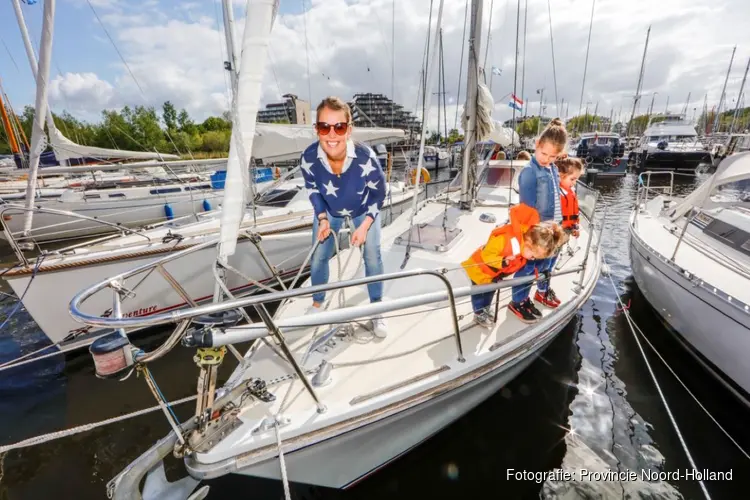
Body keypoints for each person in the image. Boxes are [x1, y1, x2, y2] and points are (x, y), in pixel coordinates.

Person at [299, 96, 388, 337]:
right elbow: (314, 190)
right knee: (318, 256)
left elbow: (379, 194)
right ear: (316, 128)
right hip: (329, 210)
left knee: (372, 255)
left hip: (363, 210)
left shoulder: (365, 157)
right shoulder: (308, 158)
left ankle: (377, 308)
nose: (331, 134)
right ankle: (318, 304)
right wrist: (323, 219)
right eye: (323, 126)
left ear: (349, 129)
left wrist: (365, 226)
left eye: (338, 127)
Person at [509, 117, 569, 322]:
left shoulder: (552, 167)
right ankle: (518, 301)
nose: (547, 159)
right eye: (544, 154)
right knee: (528, 268)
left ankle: (542, 291)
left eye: (553, 156)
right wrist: (528, 242)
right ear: (536, 145)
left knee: (549, 263)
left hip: (553, 229)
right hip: (537, 232)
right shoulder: (528, 172)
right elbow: (525, 211)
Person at [461, 204, 561, 326]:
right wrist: (502, 261)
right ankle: (478, 313)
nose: (533, 259)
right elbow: (487, 254)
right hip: (478, 271)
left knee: (489, 293)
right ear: (529, 243)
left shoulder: (523, 247)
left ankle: (485, 309)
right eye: (533, 256)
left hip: (493, 275)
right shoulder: (505, 239)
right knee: (478, 294)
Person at [557, 157, 584, 237]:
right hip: (559, 229)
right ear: (561, 176)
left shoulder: (571, 191)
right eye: (572, 179)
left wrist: (575, 227)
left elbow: (574, 213)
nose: (574, 183)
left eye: (576, 180)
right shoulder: (558, 194)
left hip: (569, 228)